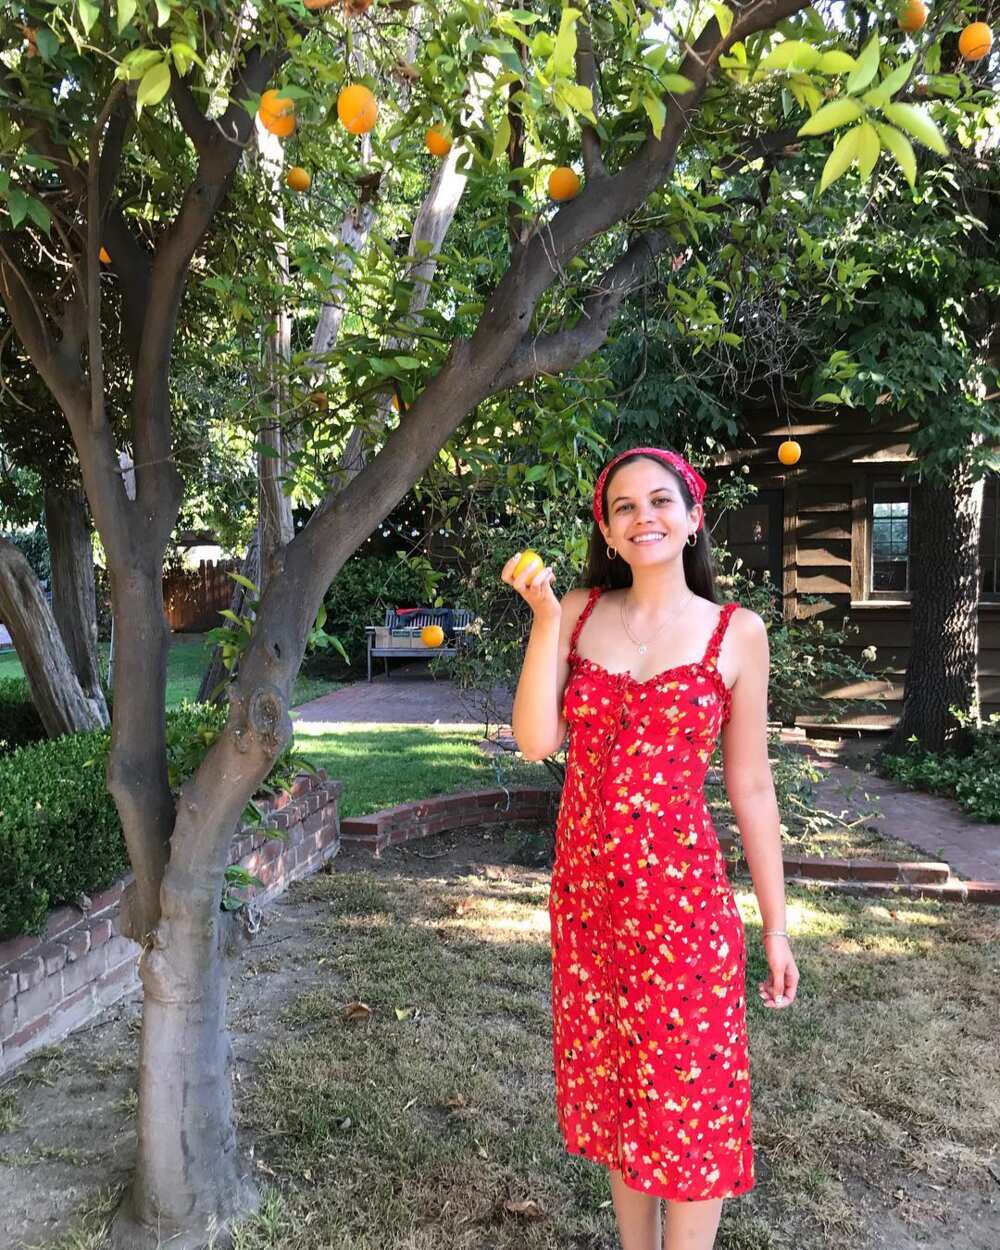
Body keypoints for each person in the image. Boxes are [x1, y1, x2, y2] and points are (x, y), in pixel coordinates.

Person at [501, 447, 798, 1250]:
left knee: (689, 1104)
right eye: (624, 506)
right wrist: (545, 624)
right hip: (589, 905)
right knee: (619, 1090)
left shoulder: (736, 633)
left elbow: (752, 788)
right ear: (606, 526)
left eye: (660, 501)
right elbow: (536, 741)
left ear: (694, 515)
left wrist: (774, 926)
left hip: (682, 910)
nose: (644, 518)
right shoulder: (582, 611)